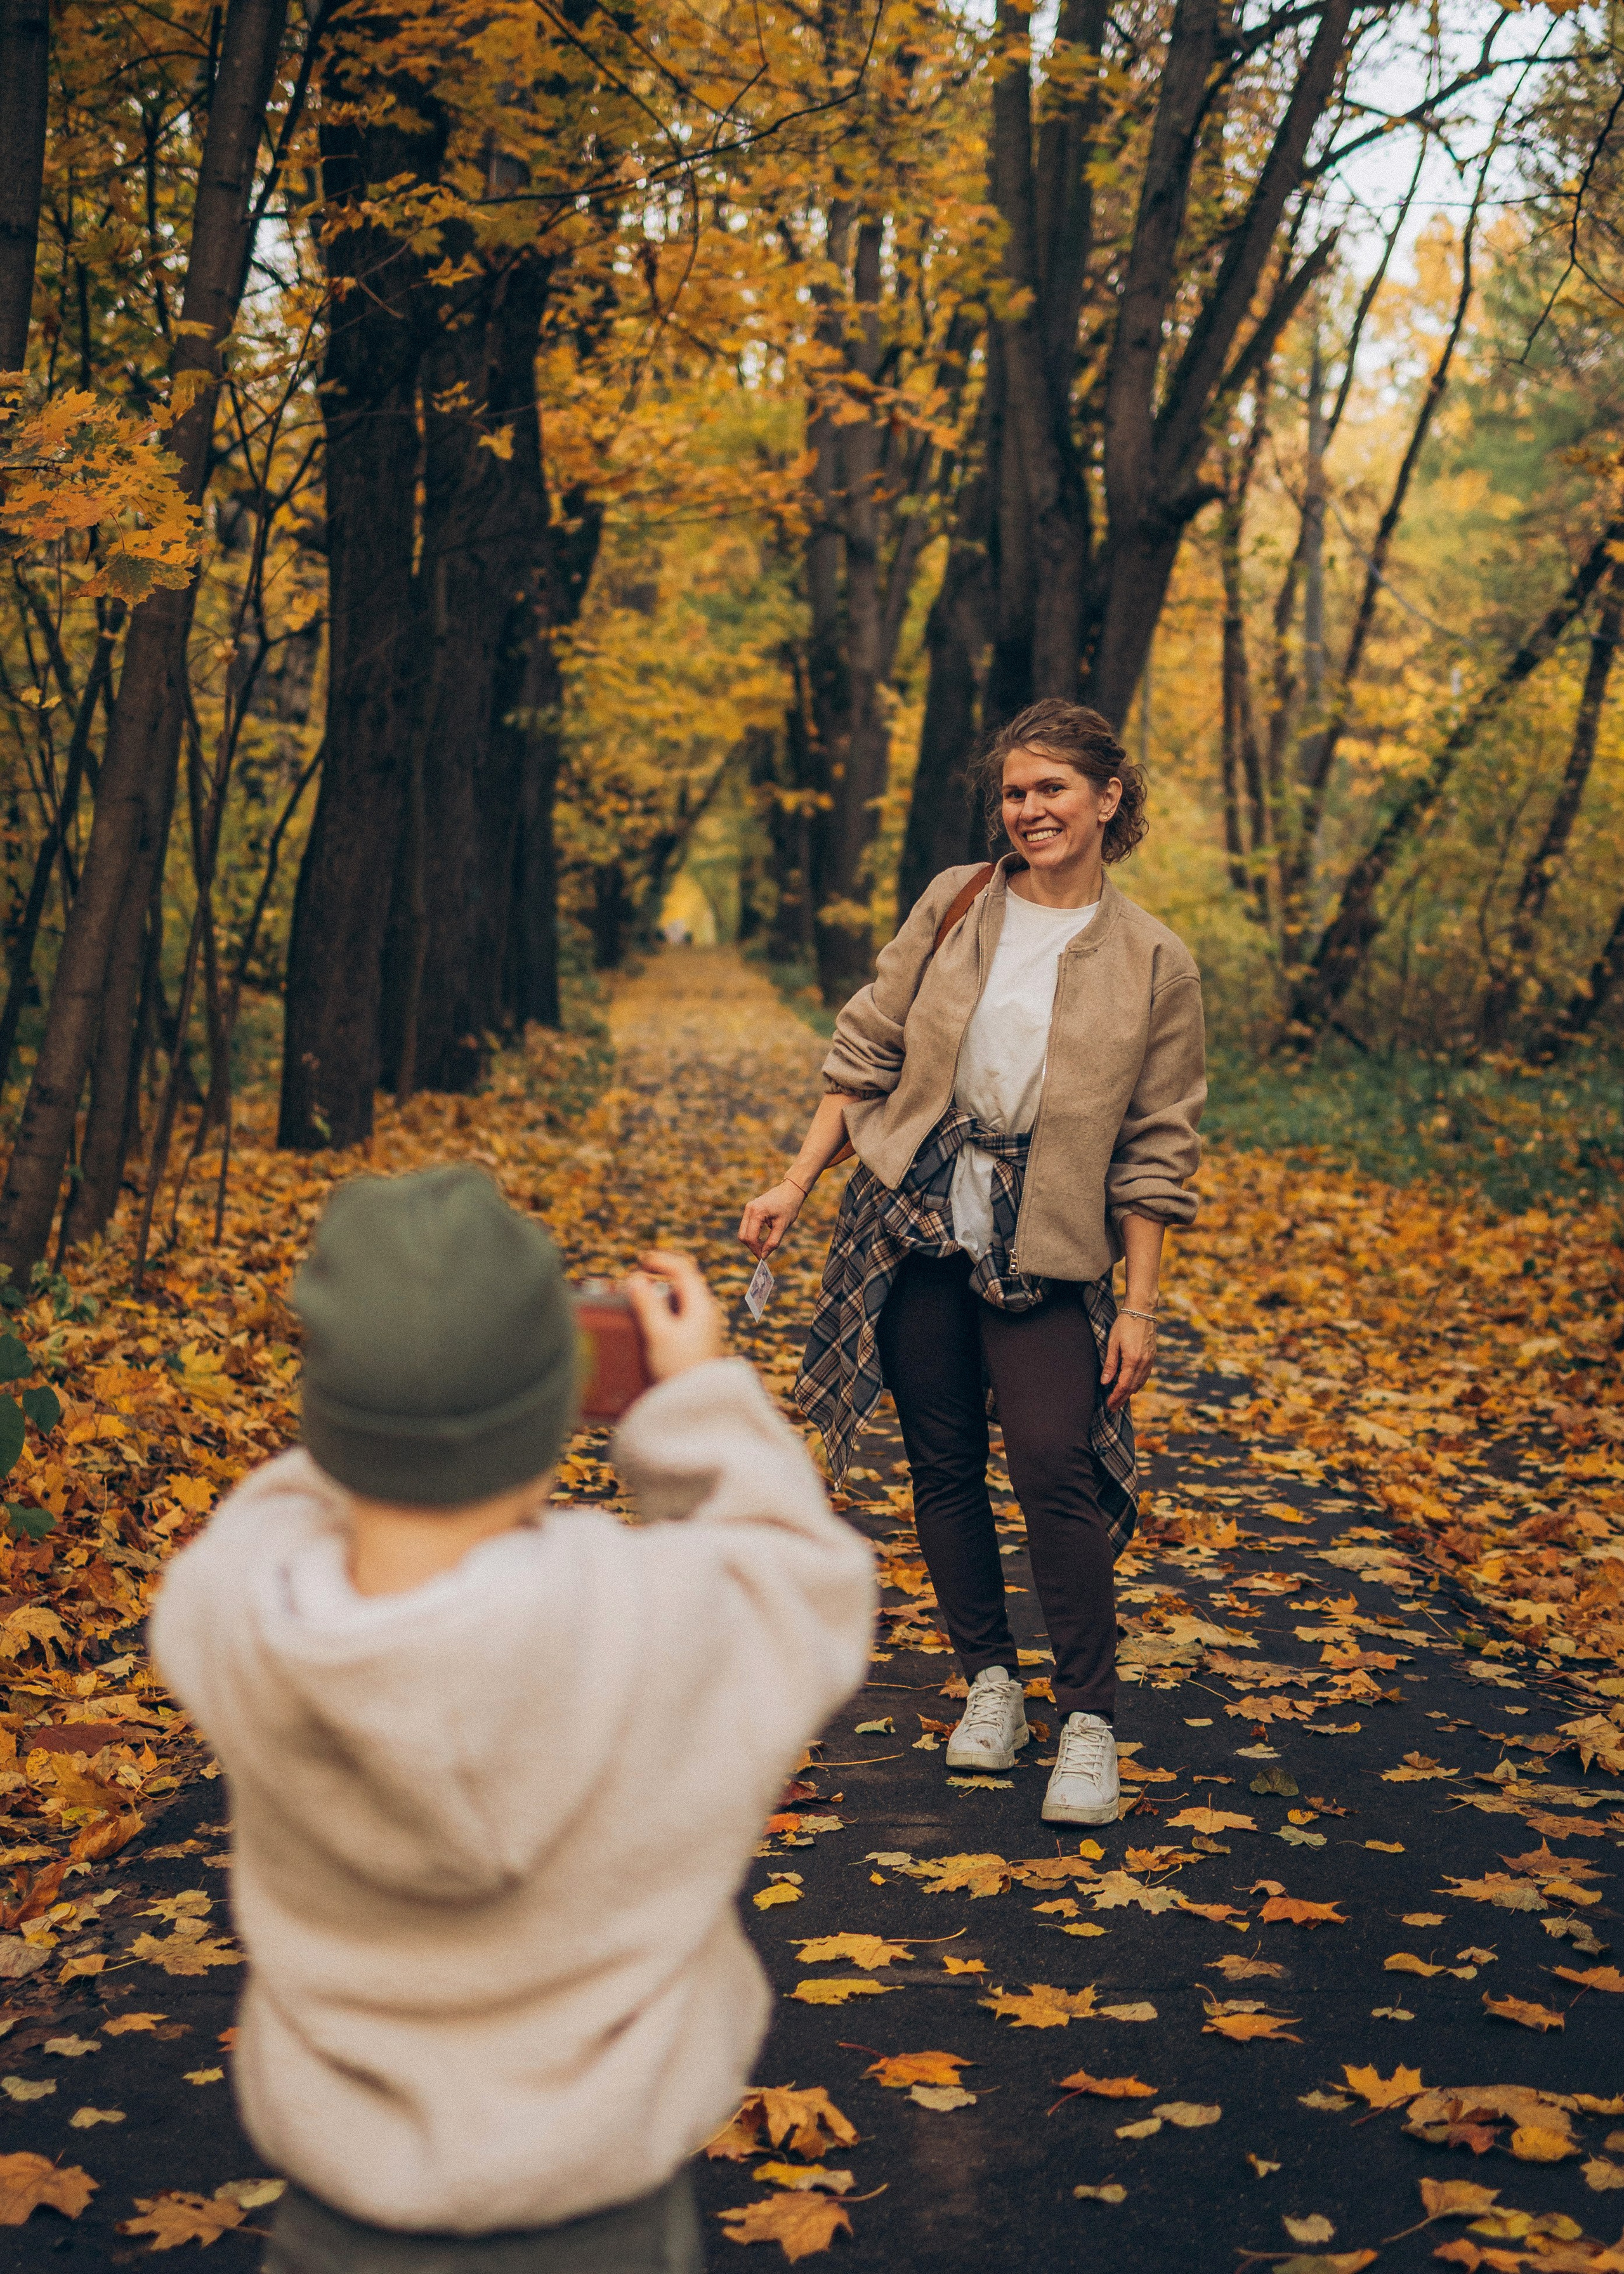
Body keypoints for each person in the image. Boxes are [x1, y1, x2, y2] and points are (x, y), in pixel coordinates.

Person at [151, 1165, 874, 2274]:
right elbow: (803, 1576)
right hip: (607, 2219)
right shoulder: (645, 1620)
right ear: (554, 1412)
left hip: (342, 2226)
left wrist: (397, 1394)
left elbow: (286, 1498)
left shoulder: (238, 1617)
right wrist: (695, 1396)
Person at [740, 698, 1204, 1828]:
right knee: (941, 1460)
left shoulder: (1155, 960)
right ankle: (991, 1683)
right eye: (1014, 791)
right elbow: (868, 1048)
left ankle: (1087, 1719)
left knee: (1054, 1459)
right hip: (913, 1220)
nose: (1030, 809)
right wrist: (795, 1184)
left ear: (1108, 798)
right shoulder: (957, 902)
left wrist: (1138, 1307)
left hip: (1046, 1241)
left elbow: (1156, 1147)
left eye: (1052, 789)